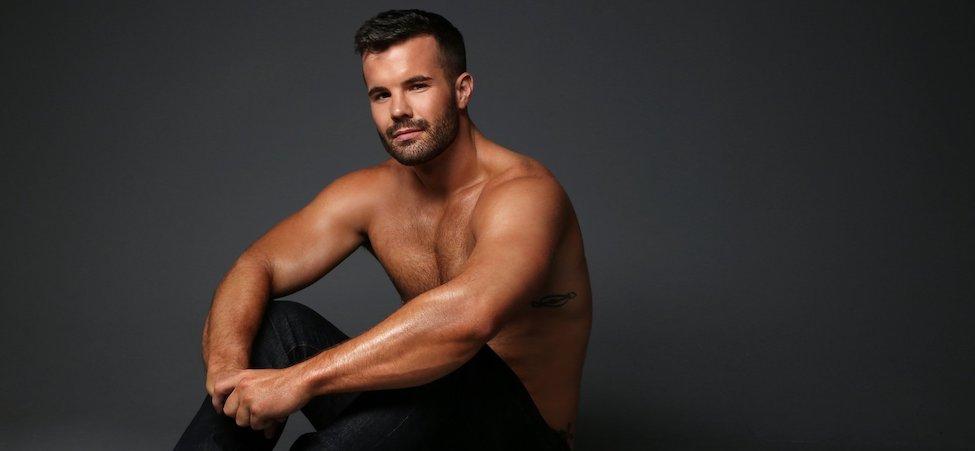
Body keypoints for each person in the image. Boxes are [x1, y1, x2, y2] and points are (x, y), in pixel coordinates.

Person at [175, 8, 592, 450]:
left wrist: (298, 381)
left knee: (458, 357)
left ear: (462, 90)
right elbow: (256, 264)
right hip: (422, 422)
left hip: (515, 436)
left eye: (417, 86)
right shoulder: (371, 193)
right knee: (277, 324)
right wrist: (225, 369)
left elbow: (470, 317)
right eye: (380, 94)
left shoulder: (525, 193)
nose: (398, 110)